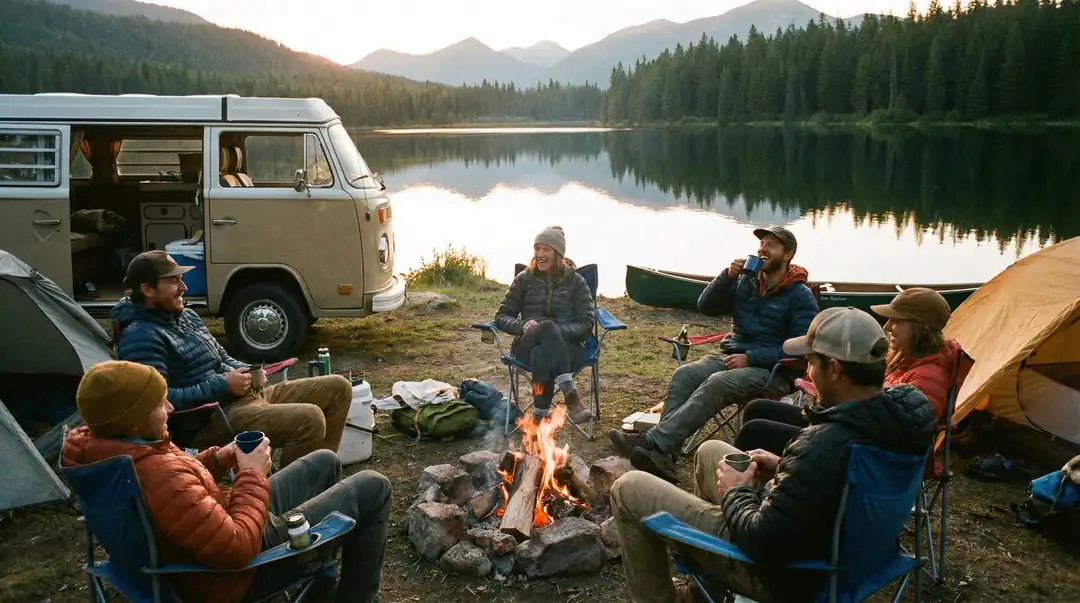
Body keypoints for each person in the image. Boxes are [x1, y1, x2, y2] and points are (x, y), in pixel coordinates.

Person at [609, 307, 936, 603]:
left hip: (791, 575)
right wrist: (784, 467)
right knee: (711, 451)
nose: (807, 371)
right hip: (855, 551)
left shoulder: (826, 444)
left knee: (629, 488)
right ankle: (698, 595)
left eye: (812, 361)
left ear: (834, 369)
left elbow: (762, 542)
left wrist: (737, 490)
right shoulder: (904, 418)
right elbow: (850, 481)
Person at [60, 360, 391, 603]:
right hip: (234, 576)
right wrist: (252, 473)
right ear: (132, 420)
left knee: (324, 461)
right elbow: (238, 548)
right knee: (373, 486)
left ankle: (318, 587)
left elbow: (178, 488)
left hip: (208, 534)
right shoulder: (157, 473)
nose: (170, 407)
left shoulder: (111, 451)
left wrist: (218, 459)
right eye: (160, 404)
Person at [609, 226, 819, 483]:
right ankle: (664, 456)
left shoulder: (800, 295)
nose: (763, 248)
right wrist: (727, 277)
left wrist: (751, 358)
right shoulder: (747, 280)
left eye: (771, 245)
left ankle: (655, 441)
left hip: (773, 370)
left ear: (788, 254)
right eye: (762, 243)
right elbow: (705, 306)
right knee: (685, 374)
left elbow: (800, 348)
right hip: (733, 358)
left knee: (718, 383)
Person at [111, 250, 351, 468]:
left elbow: (221, 357)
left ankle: (320, 475)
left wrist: (246, 371)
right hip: (208, 420)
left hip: (240, 399)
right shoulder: (139, 336)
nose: (183, 287)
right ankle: (285, 498)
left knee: (338, 388)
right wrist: (223, 385)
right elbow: (160, 401)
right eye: (173, 281)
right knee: (308, 419)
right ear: (147, 289)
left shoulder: (186, 316)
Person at [734, 287, 959, 456]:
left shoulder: (928, 377)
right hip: (848, 426)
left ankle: (752, 488)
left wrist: (830, 417)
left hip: (858, 451)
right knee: (757, 409)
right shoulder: (903, 355)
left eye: (897, 321)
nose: (888, 326)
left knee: (756, 431)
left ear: (920, 327)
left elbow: (899, 436)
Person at [494, 226, 595, 424]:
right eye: (537, 249)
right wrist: (522, 325)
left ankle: (540, 416)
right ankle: (570, 395)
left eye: (546, 249)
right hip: (527, 343)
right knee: (546, 329)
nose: (540, 255)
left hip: (569, 348)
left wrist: (559, 331)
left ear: (558, 253)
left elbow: (586, 323)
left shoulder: (576, 282)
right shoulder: (524, 279)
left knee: (542, 351)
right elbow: (502, 316)